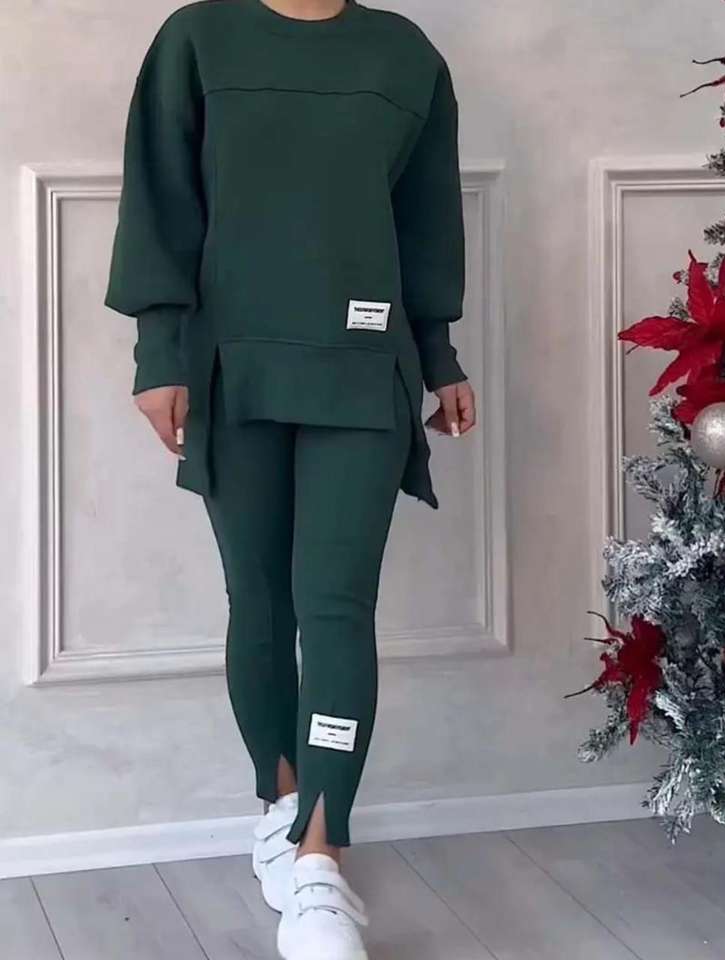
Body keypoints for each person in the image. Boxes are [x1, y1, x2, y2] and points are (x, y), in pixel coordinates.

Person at [104, 1, 476, 957]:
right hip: (230, 368)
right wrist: (158, 353)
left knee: (337, 605)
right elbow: (161, 201)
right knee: (260, 597)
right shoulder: (198, 40)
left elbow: (424, 220)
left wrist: (437, 353)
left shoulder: (403, 55)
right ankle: (278, 806)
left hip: (364, 369)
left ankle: (320, 856)